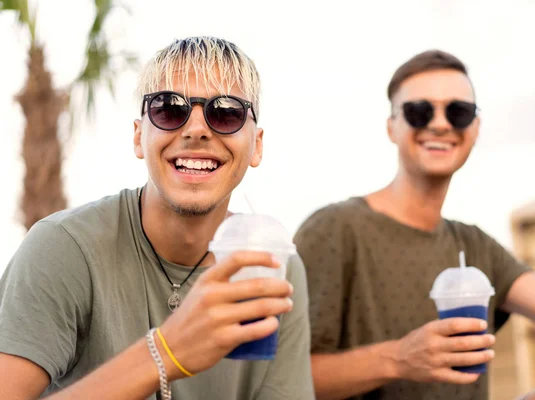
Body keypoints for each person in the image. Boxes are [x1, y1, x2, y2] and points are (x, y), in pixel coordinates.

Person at [0, 36, 314, 400]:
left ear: (256, 145)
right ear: (138, 137)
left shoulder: (273, 267)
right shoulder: (63, 248)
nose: (196, 129)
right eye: (169, 109)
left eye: (226, 112)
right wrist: (165, 353)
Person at [294, 49, 535, 400]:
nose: (440, 124)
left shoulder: (475, 245)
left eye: (458, 111)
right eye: (419, 111)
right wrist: (398, 359)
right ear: (392, 127)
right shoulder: (335, 228)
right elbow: (283, 378)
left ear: (475, 127)